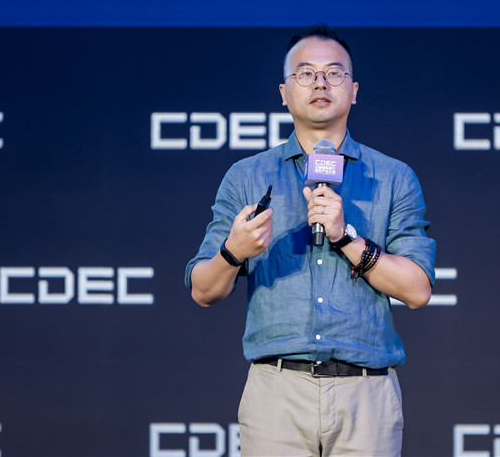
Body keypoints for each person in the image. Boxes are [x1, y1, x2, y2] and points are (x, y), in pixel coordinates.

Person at [185, 25, 436, 456]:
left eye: (334, 73)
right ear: (284, 93)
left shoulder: (394, 177)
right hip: (276, 393)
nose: (320, 83)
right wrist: (233, 252)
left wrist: (346, 237)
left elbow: (417, 290)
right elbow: (202, 290)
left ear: (354, 92)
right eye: (305, 73)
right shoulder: (246, 177)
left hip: (366, 394)